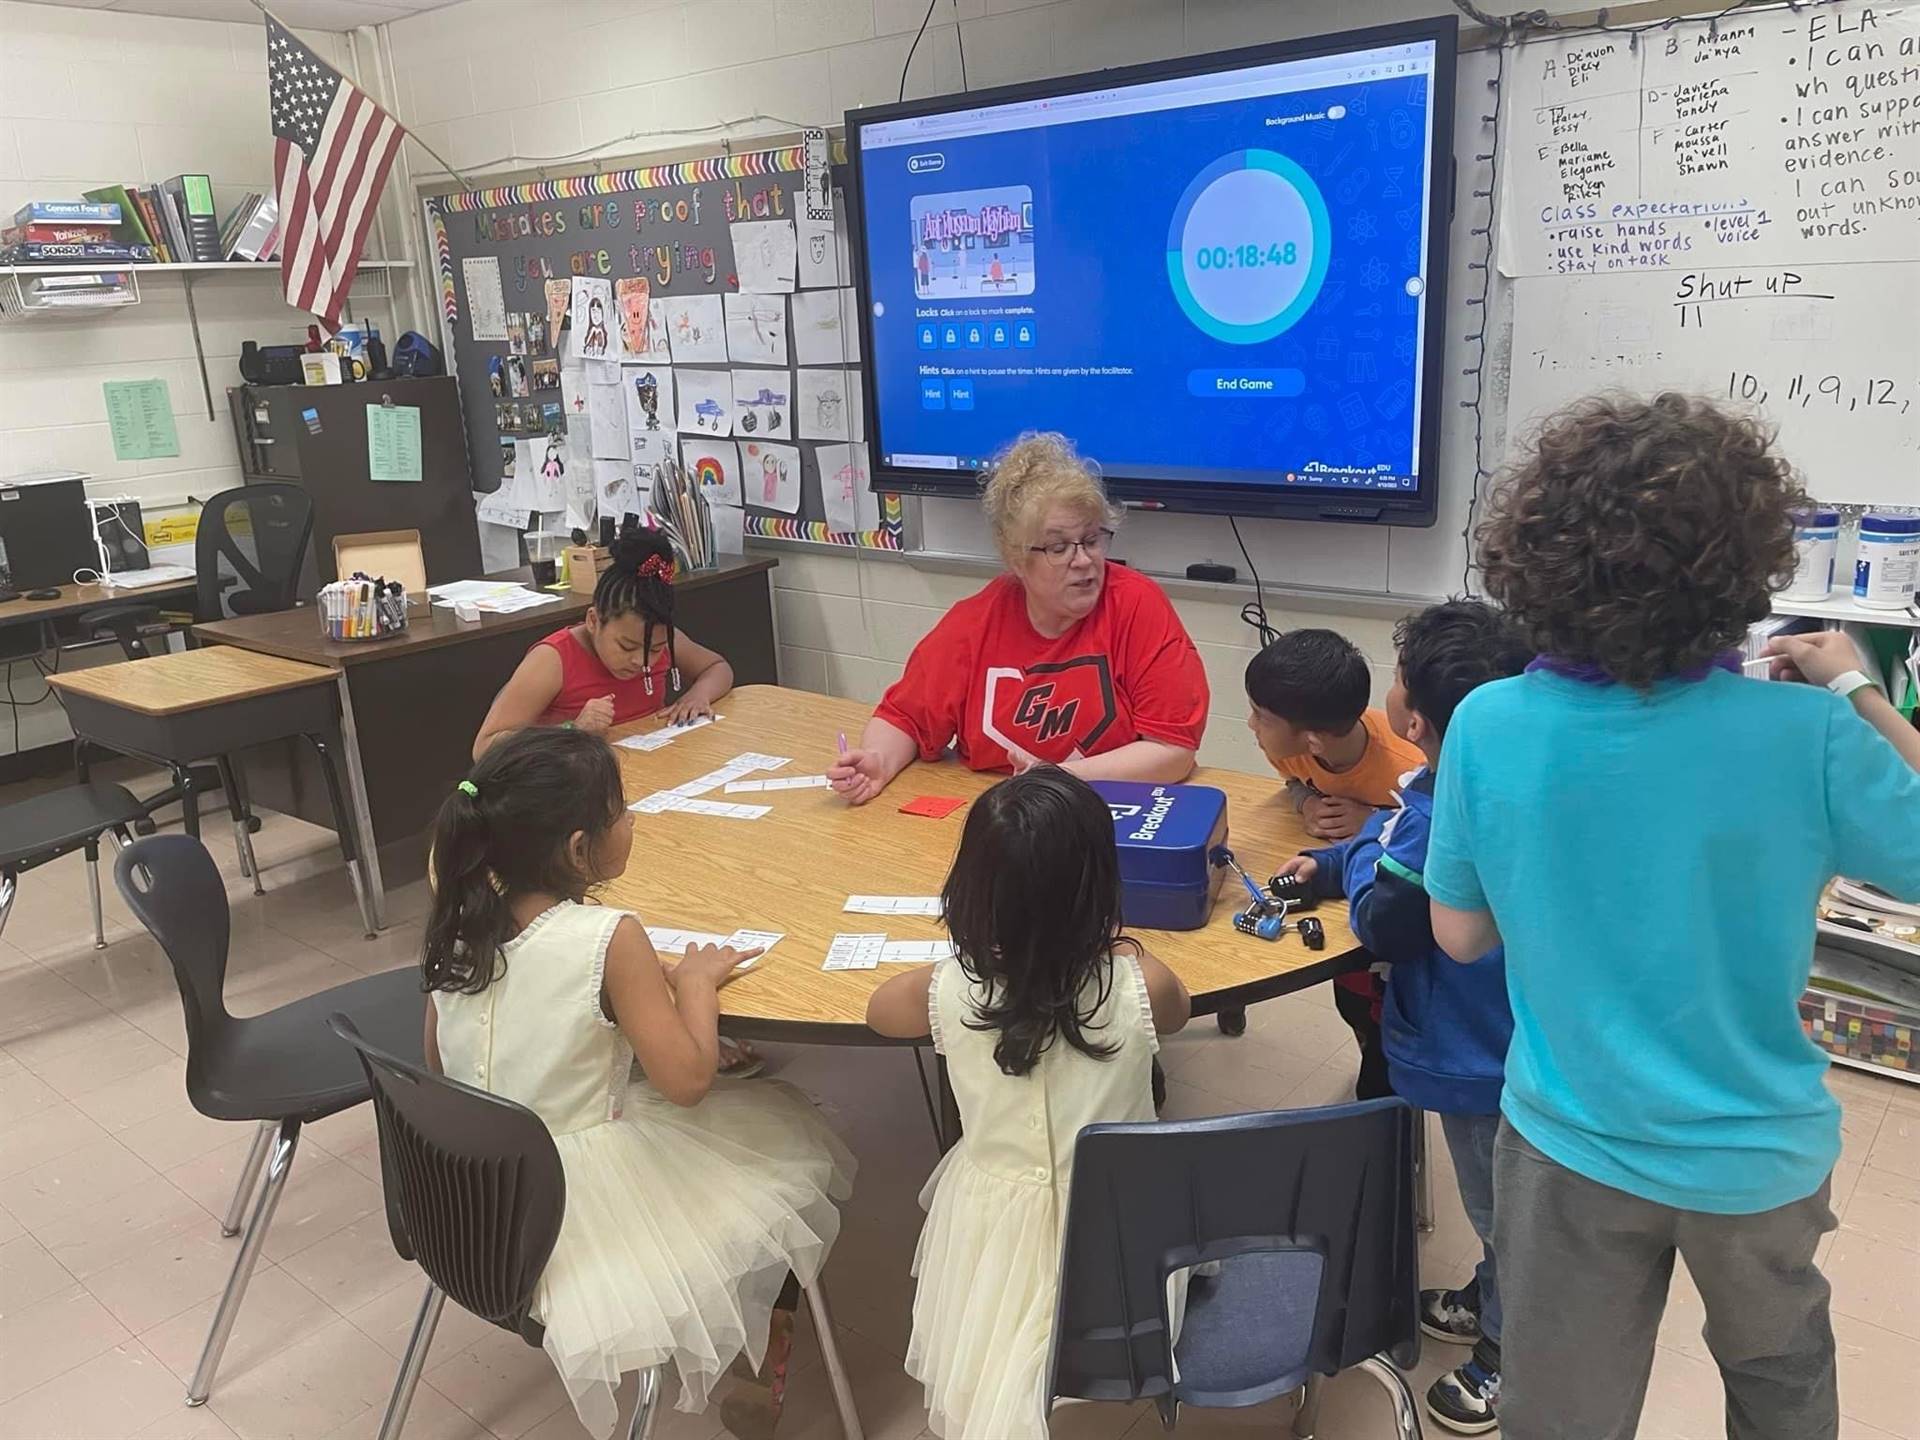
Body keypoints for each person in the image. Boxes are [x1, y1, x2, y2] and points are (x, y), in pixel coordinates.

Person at [1424, 394, 1920, 1440]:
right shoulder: (1805, 736)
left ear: (1536, 557)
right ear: (1740, 565)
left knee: (1563, 1411)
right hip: (1754, 1159)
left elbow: (1460, 935)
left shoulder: (1488, 721)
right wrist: (1857, 693)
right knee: (1781, 1378)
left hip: (1568, 1144)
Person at [421, 728, 854, 1439]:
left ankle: (758, 1335)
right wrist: (695, 986)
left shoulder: (457, 922)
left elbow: (441, 1063)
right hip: (574, 1206)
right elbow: (687, 1081)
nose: (634, 821)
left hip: (475, 1201)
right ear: (580, 849)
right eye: (622, 811)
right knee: (788, 1145)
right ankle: (764, 1338)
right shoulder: (610, 936)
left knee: (748, 1130)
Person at [867, 767, 1191, 1439]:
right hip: (1128, 1242)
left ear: (974, 893)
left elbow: (877, 1013)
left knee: (990, 1346)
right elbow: (1181, 1013)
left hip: (992, 1235)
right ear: (1098, 884)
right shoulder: (1142, 984)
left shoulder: (946, 990)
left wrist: (965, 968)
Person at [1273, 600, 1531, 1435]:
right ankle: (1489, 1298)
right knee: (1497, 1198)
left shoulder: (1439, 808)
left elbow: (1388, 918)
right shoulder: (1487, 773)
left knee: (1501, 1211)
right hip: (1506, 1034)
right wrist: (1341, 858)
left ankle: (1504, 1357)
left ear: (1413, 716)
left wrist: (1350, 875)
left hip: (1473, 1049)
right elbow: (1390, 836)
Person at [829, 433, 1208, 805]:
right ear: (1016, 558)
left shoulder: (1137, 605)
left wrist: (1057, 778)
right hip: (1001, 816)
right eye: (1058, 547)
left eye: (1092, 540)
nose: (1083, 561)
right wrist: (878, 761)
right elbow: (904, 718)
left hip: (1103, 812)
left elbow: (1173, 751)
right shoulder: (976, 622)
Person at [1241, 628, 1424, 1082]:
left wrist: (1373, 818)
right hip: (1341, 886)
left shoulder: (1408, 765)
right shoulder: (1288, 748)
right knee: (1351, 998)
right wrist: (1305, 804)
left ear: (1314, 742)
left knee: (1378, 1007)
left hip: (1395, 909)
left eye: (1261, 717)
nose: (1250, 725)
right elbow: (1295, 781)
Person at [475, 527, 733, 760]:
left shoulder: (662, 640)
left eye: (654, 650)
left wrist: (699, 695)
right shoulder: (553, 660)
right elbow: (485, 747)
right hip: (574, 784)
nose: (641, 661)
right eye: (626, 646)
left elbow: (717, 667)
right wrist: (572, 730)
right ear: (593, 621)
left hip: (648, 766)